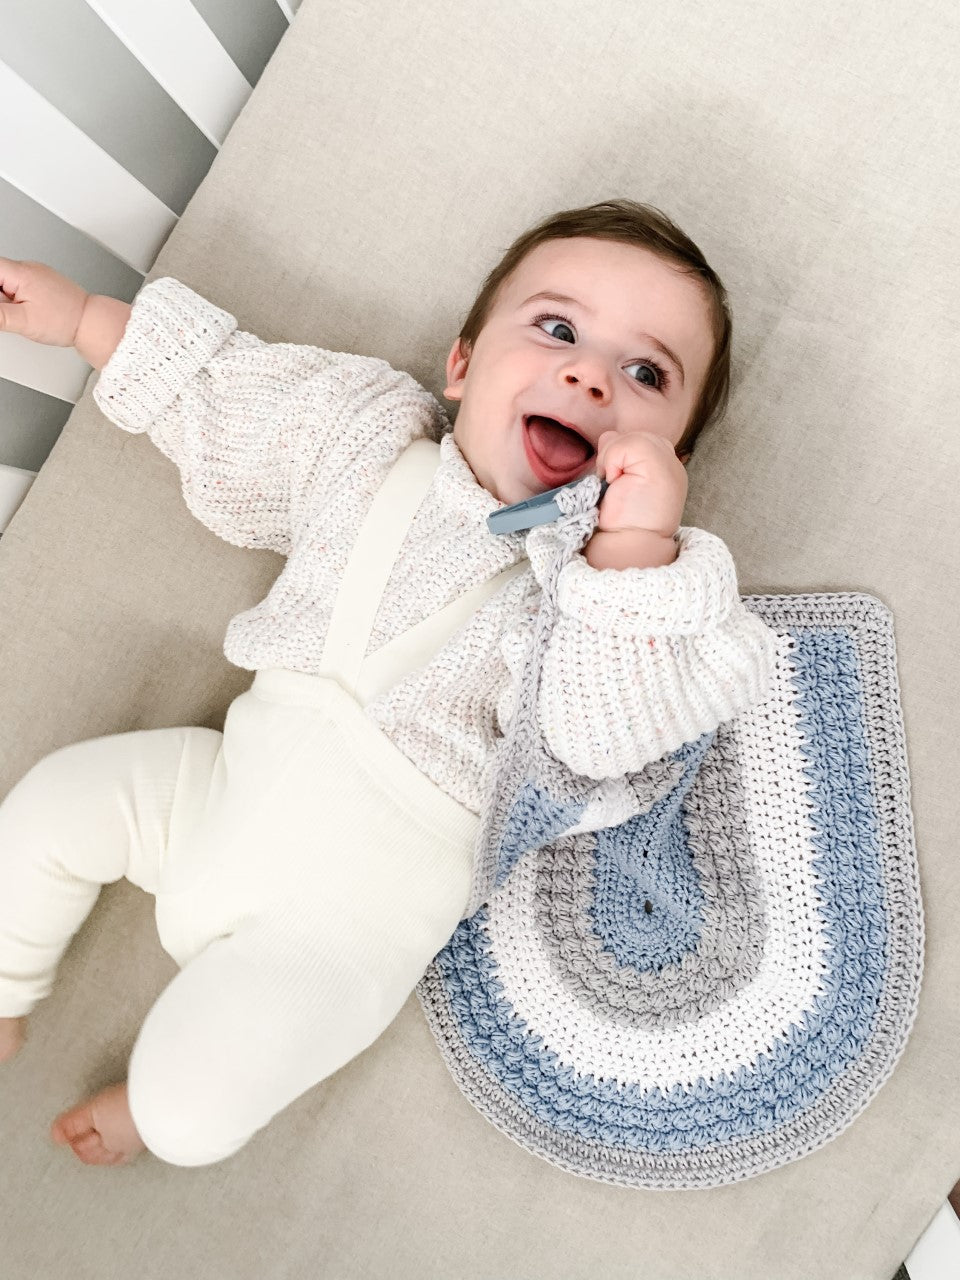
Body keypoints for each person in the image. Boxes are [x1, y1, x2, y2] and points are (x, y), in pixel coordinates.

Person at [0, 199, 779, 1167]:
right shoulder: (368, 440)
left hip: (346, 928)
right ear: (461, 366)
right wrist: (85, 322)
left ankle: (148, 1110)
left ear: (675, 458)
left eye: (646, 372)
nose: (589, 374)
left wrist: (631, 544)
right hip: (218, 792)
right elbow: (232, 404)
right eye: (558, 328)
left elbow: (597, 734)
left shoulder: (626, 601)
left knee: (190, 1106)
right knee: (45, 812)